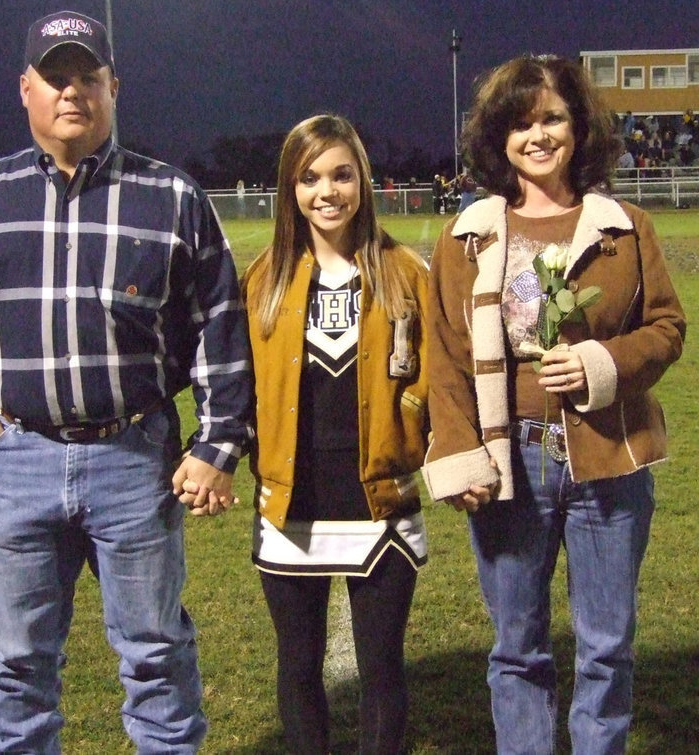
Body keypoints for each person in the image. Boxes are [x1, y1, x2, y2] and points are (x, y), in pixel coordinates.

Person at [0, 10, 252, 753]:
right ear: (24, 89)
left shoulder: (173, 198)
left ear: (112, 87)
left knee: (155, 654)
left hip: (134, 459)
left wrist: (216, 443)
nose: (72, 92)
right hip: (15, 461)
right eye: (55, 77)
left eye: (87, 76)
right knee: (18, 662)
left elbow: (221, 327)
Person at [422, 55, 685, 753]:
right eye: (519, 122)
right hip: (512, 462)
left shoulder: (624, 225)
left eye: (552, 118)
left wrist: (603, 363)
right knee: (517, 646)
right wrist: (462, 454)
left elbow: (667, 329)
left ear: (579, 125)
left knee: (607, 647)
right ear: (497, 138)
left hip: (611, 458)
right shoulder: (467, 234)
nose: (536, 136)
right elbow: (443, 358)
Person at [242, 114, 429, 753]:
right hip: (292, 501)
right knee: (298, 667)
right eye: (310, 177)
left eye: (341, 174)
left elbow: (439, 381)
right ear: (289, 189)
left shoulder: (406, 271)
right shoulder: (264, 277)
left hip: (380, 500)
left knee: (381, 667)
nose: (327, 191)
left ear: (363, 181)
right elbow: (238, 386)